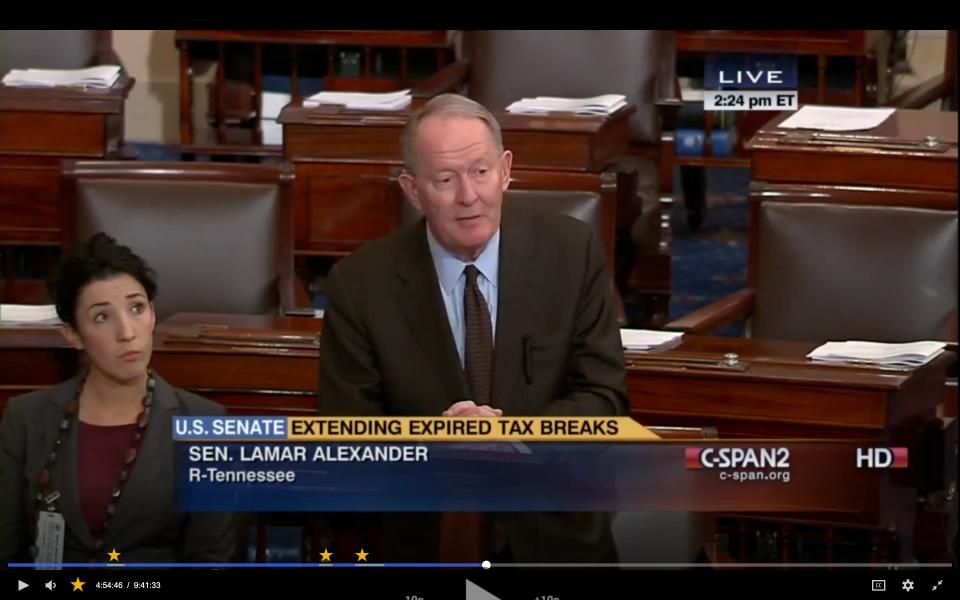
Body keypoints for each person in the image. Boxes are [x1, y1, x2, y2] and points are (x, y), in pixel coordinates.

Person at [319, 93, 627, 561]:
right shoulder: (360, 285)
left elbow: (605, 400)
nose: (469, 196)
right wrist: (430, 445)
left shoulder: (571, 252)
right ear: (412, 189)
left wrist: (516, 438)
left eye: (480, 172)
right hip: (425, 540)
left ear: (505, 170)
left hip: (555, 535)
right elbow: (347, 436)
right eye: (445, 179)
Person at [0, 233, 236, 564]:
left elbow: (211, 559)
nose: (127, 332)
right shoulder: (25, 417)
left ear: (153, 314)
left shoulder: (207, 423)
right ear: (73, 335)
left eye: (136, 308)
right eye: (102, 317)